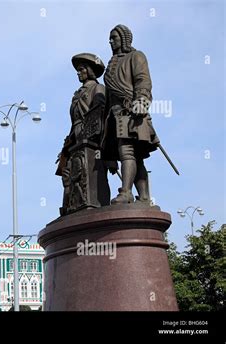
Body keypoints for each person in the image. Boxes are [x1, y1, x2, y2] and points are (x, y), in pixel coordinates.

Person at [102, 24, 160, 204]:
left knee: (128, 153)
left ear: (124, 39)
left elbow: (143, 81)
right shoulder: (111, 63)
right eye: (110, 38)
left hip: (131, 114)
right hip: (114, 115)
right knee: (134, 157)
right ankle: (143, 197)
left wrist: (142, 101)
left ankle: (126, 192)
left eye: (115, 37)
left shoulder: (136, 56)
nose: (111, 41)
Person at [56, 53, 115, 215]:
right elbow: (73, 120)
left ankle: (96, 206)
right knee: (69, 177)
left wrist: (101, 144)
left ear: (90, 70)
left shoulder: (98, 89)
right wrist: (66, 146)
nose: (78, 72)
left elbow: (101, 116)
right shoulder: (77, 93)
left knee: (93, 176)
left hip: (92, 139)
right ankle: (69, 206)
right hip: (75, 140)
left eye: (82, 69)